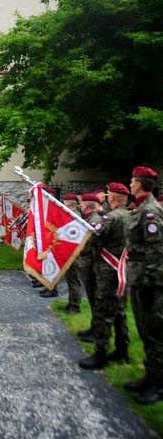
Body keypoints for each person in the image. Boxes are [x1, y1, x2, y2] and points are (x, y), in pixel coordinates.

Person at [79, 182, 131, 369]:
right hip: (121, 269)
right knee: (119, 311)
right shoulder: (128, 215)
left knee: (103, 312)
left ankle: (100, 354)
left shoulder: (110, 218)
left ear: (113, 197)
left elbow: (93, 240)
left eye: (109, 194)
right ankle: (122, 349)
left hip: (108, 271)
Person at [123, 166, 163, 405]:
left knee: (155, 332)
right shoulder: (141, 209)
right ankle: (150, 375)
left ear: (138, 184)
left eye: (131, 182)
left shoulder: (150, 212)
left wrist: (150, 283)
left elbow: (157, 250)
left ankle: (159, 384)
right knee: (145, 330)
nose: (129, 185)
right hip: (139, 278)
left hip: (150, 281)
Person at [77, 193, 102, 342]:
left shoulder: (94, 221)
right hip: (87, 262)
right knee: (91, 296)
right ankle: (94, 327)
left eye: (82, 203)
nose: (80, 205)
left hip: (92, 263)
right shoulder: (89, 219)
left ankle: (97, 330)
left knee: (95, 297)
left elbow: (93, 243)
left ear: (86, 205)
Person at [62, 193, 82, 314]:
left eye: (64, 203)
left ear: (68, 204)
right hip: (69, 252)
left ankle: (75, 306)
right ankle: (71, 302)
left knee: (74, 280)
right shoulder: (73, 215)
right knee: (70, 280)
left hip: (74, 254)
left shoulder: (75, 217)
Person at [38, 186, 59, 298]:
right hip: (47, 241)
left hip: (53, 242)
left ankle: (52, 288)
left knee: (52, 266)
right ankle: (48, 286)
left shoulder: (55, 209)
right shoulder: (46, 208)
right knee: (47, 265)